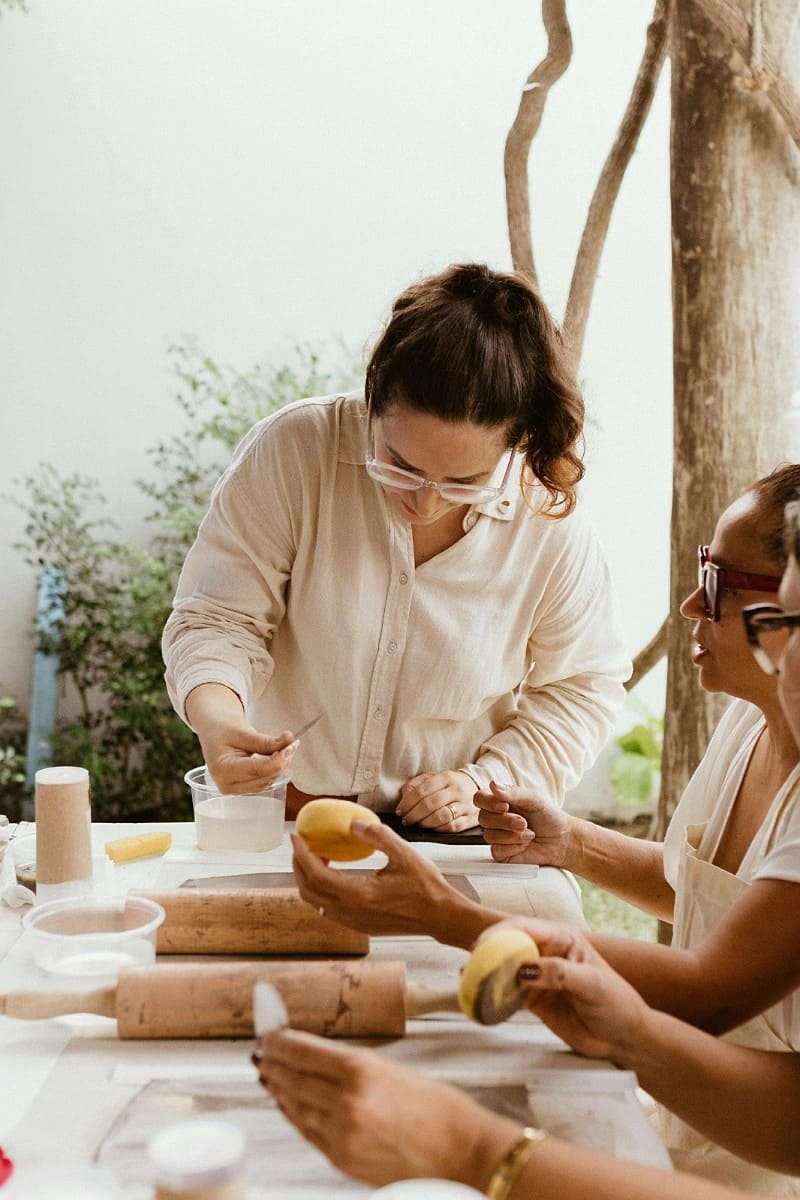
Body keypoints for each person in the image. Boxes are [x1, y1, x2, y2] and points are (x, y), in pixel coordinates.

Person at [253, 493, 800, 1198]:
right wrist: (571, 842)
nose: (693, 607)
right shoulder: (749, 724)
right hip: (680, 1119)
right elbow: (710, 895)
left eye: (737, 597)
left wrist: (443, 913)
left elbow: (709, 992)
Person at [163, 263, 629, 843]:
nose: (426, 503)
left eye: (465, 480)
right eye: (400, 467)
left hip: (455, 834)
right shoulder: (294, 453)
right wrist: (219, 718)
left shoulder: (548, 521)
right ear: (372, 394)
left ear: (517, 442)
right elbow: (217, 617)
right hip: (282, 819)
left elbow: (582, 687)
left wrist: (484, 781)